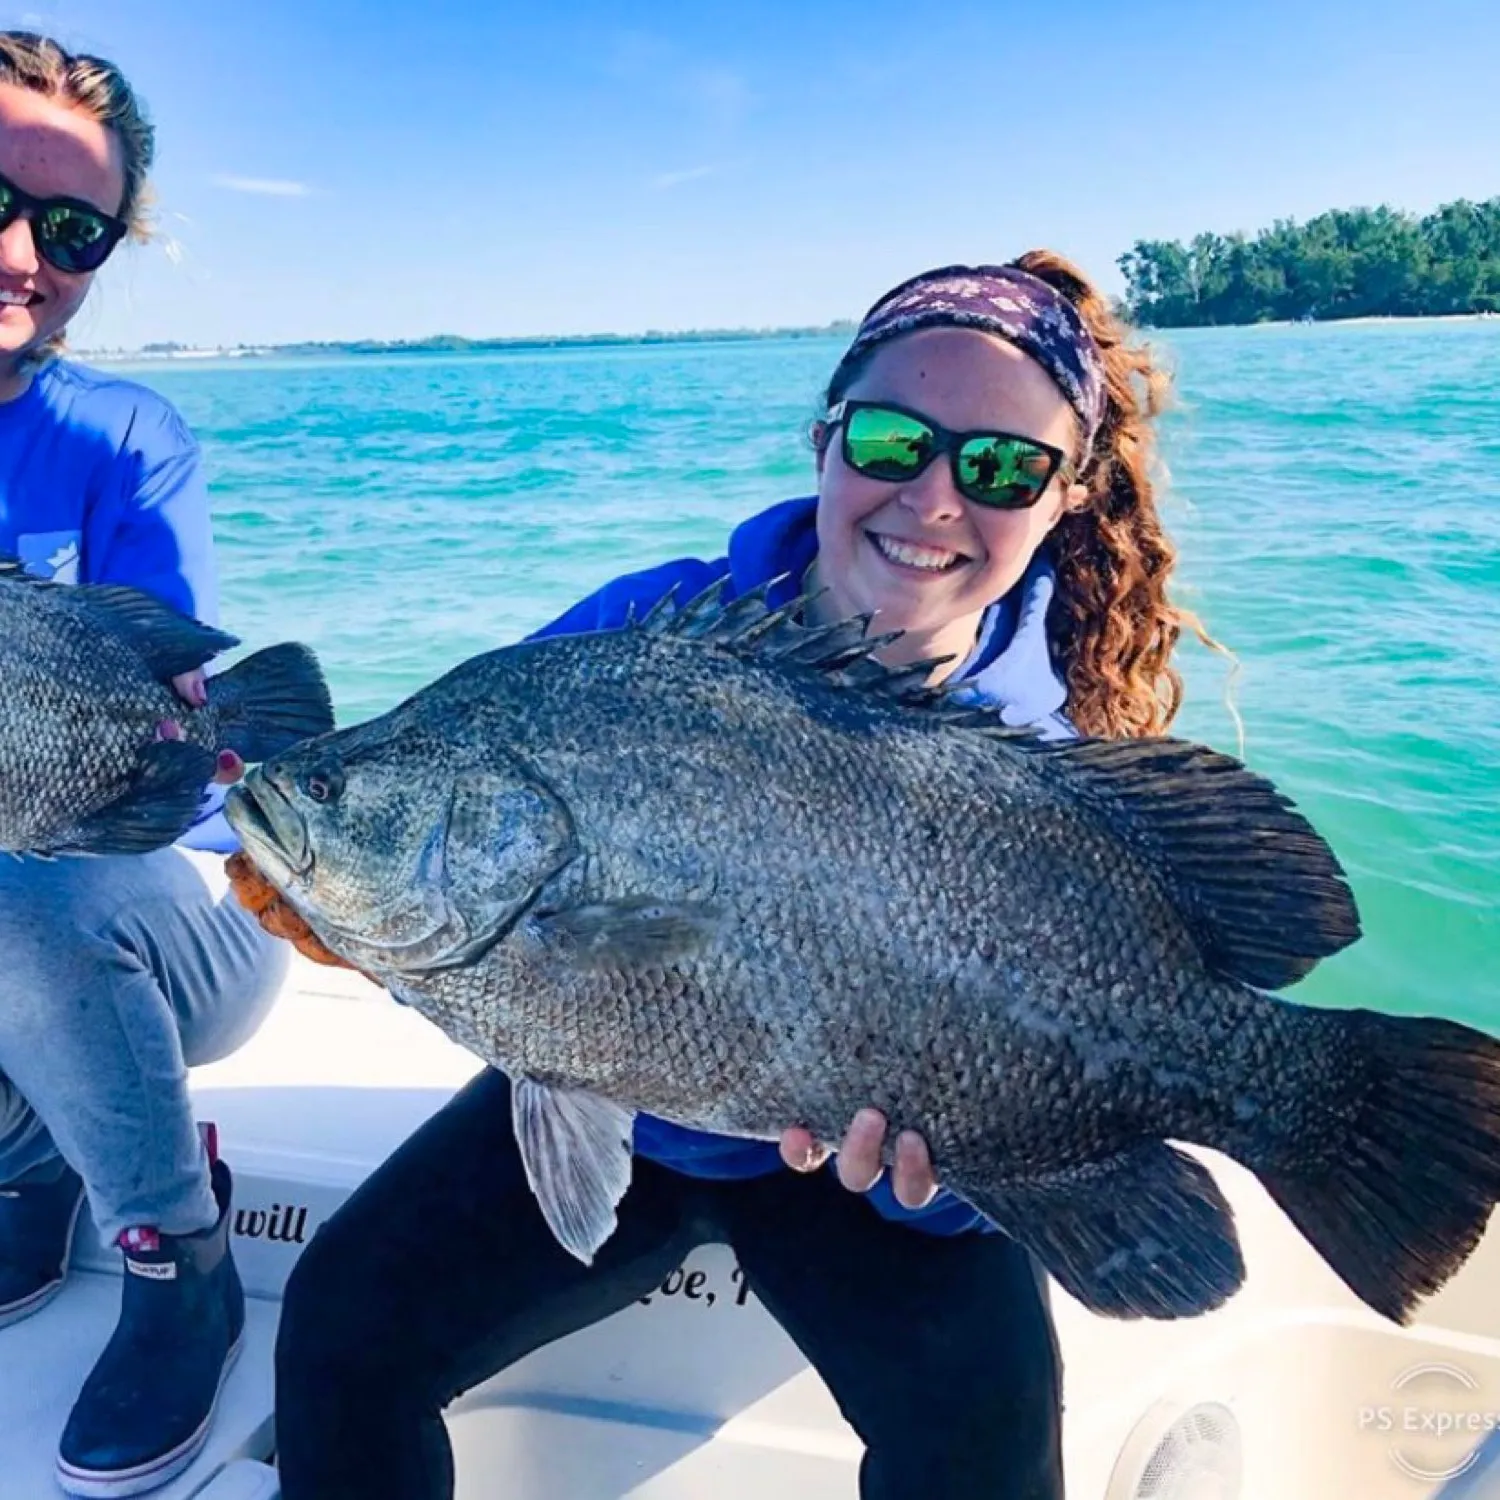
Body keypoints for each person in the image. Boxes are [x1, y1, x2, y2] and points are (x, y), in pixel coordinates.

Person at [261, 253, 1192, 1500]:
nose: (931, 498)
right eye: (891, 438)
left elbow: (1023, 1096)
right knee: (337, 1328)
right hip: (625, 1122)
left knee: (988, 1463)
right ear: (824, 440)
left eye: (1000, 467)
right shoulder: (628, 638)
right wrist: (346, 924)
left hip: (859, 1185)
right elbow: (473, 913)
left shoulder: (1050, 770)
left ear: (1067, 497)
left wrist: (944, 1180)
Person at [0, 30, 286, 1498]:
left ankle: (182, 1261)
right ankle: (33, 1155)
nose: (21, 250)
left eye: (70, 227)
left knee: (25, 894)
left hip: (166, 924)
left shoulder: (123, 438)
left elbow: (174, 762)